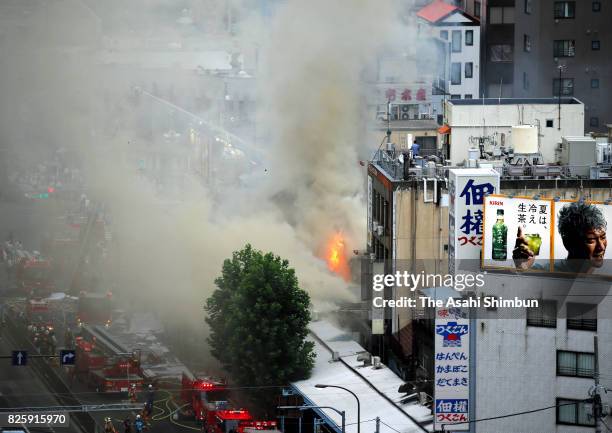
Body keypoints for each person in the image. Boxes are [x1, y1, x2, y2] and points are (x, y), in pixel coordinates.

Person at [514, 201, 607, 273]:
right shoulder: (544, 273)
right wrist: (522, 269)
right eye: (591, 240)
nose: (601, 247)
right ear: (568, 243)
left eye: (603, 237)